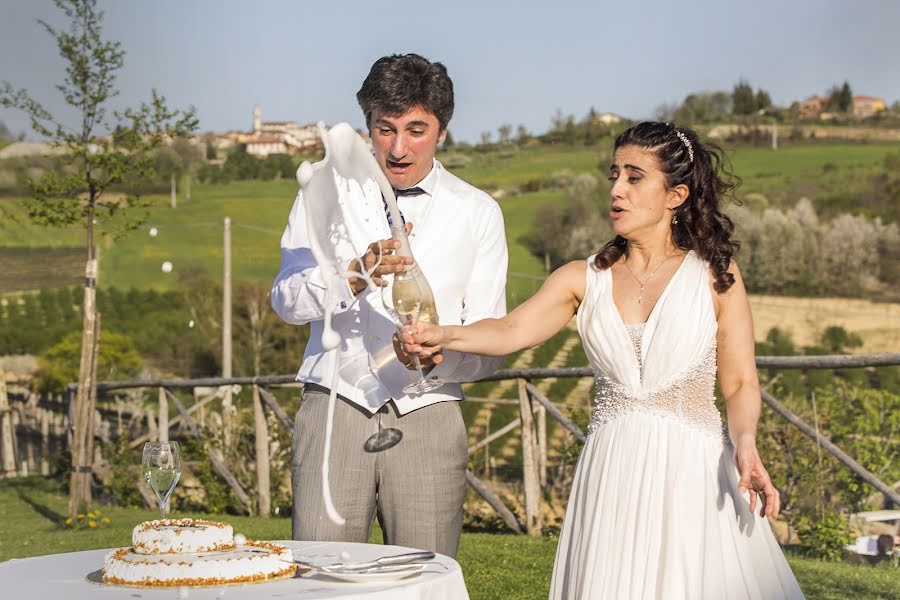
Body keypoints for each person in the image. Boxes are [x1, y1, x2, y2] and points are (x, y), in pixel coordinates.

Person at [405, 122, 805, 597]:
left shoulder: (716, 276)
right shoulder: (582, 278)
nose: (616, 189)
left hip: (694, 475)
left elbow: (739, 383)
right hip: (612, 472)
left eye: (635, 177)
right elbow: (512, 329)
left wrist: (746, 443)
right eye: (614, 174)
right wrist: (444, 334)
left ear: (675, 195)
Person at [270, 53, 508, 559]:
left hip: (430, 411)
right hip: (335, 406)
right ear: (368, 127)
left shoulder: (479, 213)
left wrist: (444, 356)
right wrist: (354, 274)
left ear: (443, 131)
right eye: (385, 129)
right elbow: (286, 301)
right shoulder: (322, 194)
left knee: (424, 577)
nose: (398, 148)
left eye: (416, 130)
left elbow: (492, 337)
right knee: (321, 581)